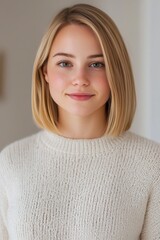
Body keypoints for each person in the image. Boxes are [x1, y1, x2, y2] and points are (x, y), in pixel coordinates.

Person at [0, 3, 160, 240]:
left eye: (96, 64)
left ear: (115, 71)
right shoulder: (11, 161)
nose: (80, 79)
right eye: (65, 63)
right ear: (45, 71)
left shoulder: (150, 164)